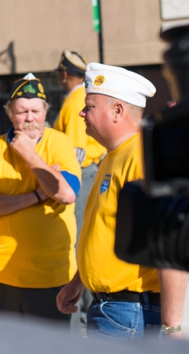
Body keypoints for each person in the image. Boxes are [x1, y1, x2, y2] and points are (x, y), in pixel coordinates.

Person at [56, 63, 187, 340]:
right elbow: (108, 232)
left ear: (117, 111)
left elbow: (170, 246)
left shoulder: (141, 157)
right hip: (113, 308)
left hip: (128, 311)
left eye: (89, 106)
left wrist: (172, 327)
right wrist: (79, 281)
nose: (82, 112)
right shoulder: (115, 156)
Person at [0, 73, 81, 322]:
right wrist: (39, 195)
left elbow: (66, 194)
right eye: (22, 111)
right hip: (2, 273)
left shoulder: (60, 143)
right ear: (10, 114)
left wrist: (29, 154)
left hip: (51, 273)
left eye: (35, 110)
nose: (30, 117)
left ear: (45, 112)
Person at [52, 50, 106, 238]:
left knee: (76, 231)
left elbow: (76, 151)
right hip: (84, 172)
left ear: (64, 74)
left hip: (79, 174)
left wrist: (66, 180)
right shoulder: (78, 97)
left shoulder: (75, 101)